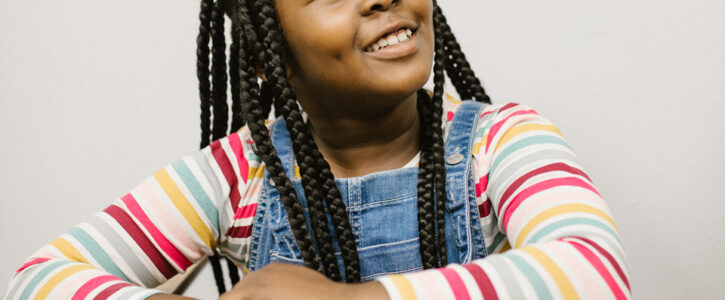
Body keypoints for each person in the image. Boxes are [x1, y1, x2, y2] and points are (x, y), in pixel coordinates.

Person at [4, 0, 630, 299]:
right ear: (268, 62)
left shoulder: (500, 143)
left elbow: (595, 274)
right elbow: (37, 283)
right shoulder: (240, 175)